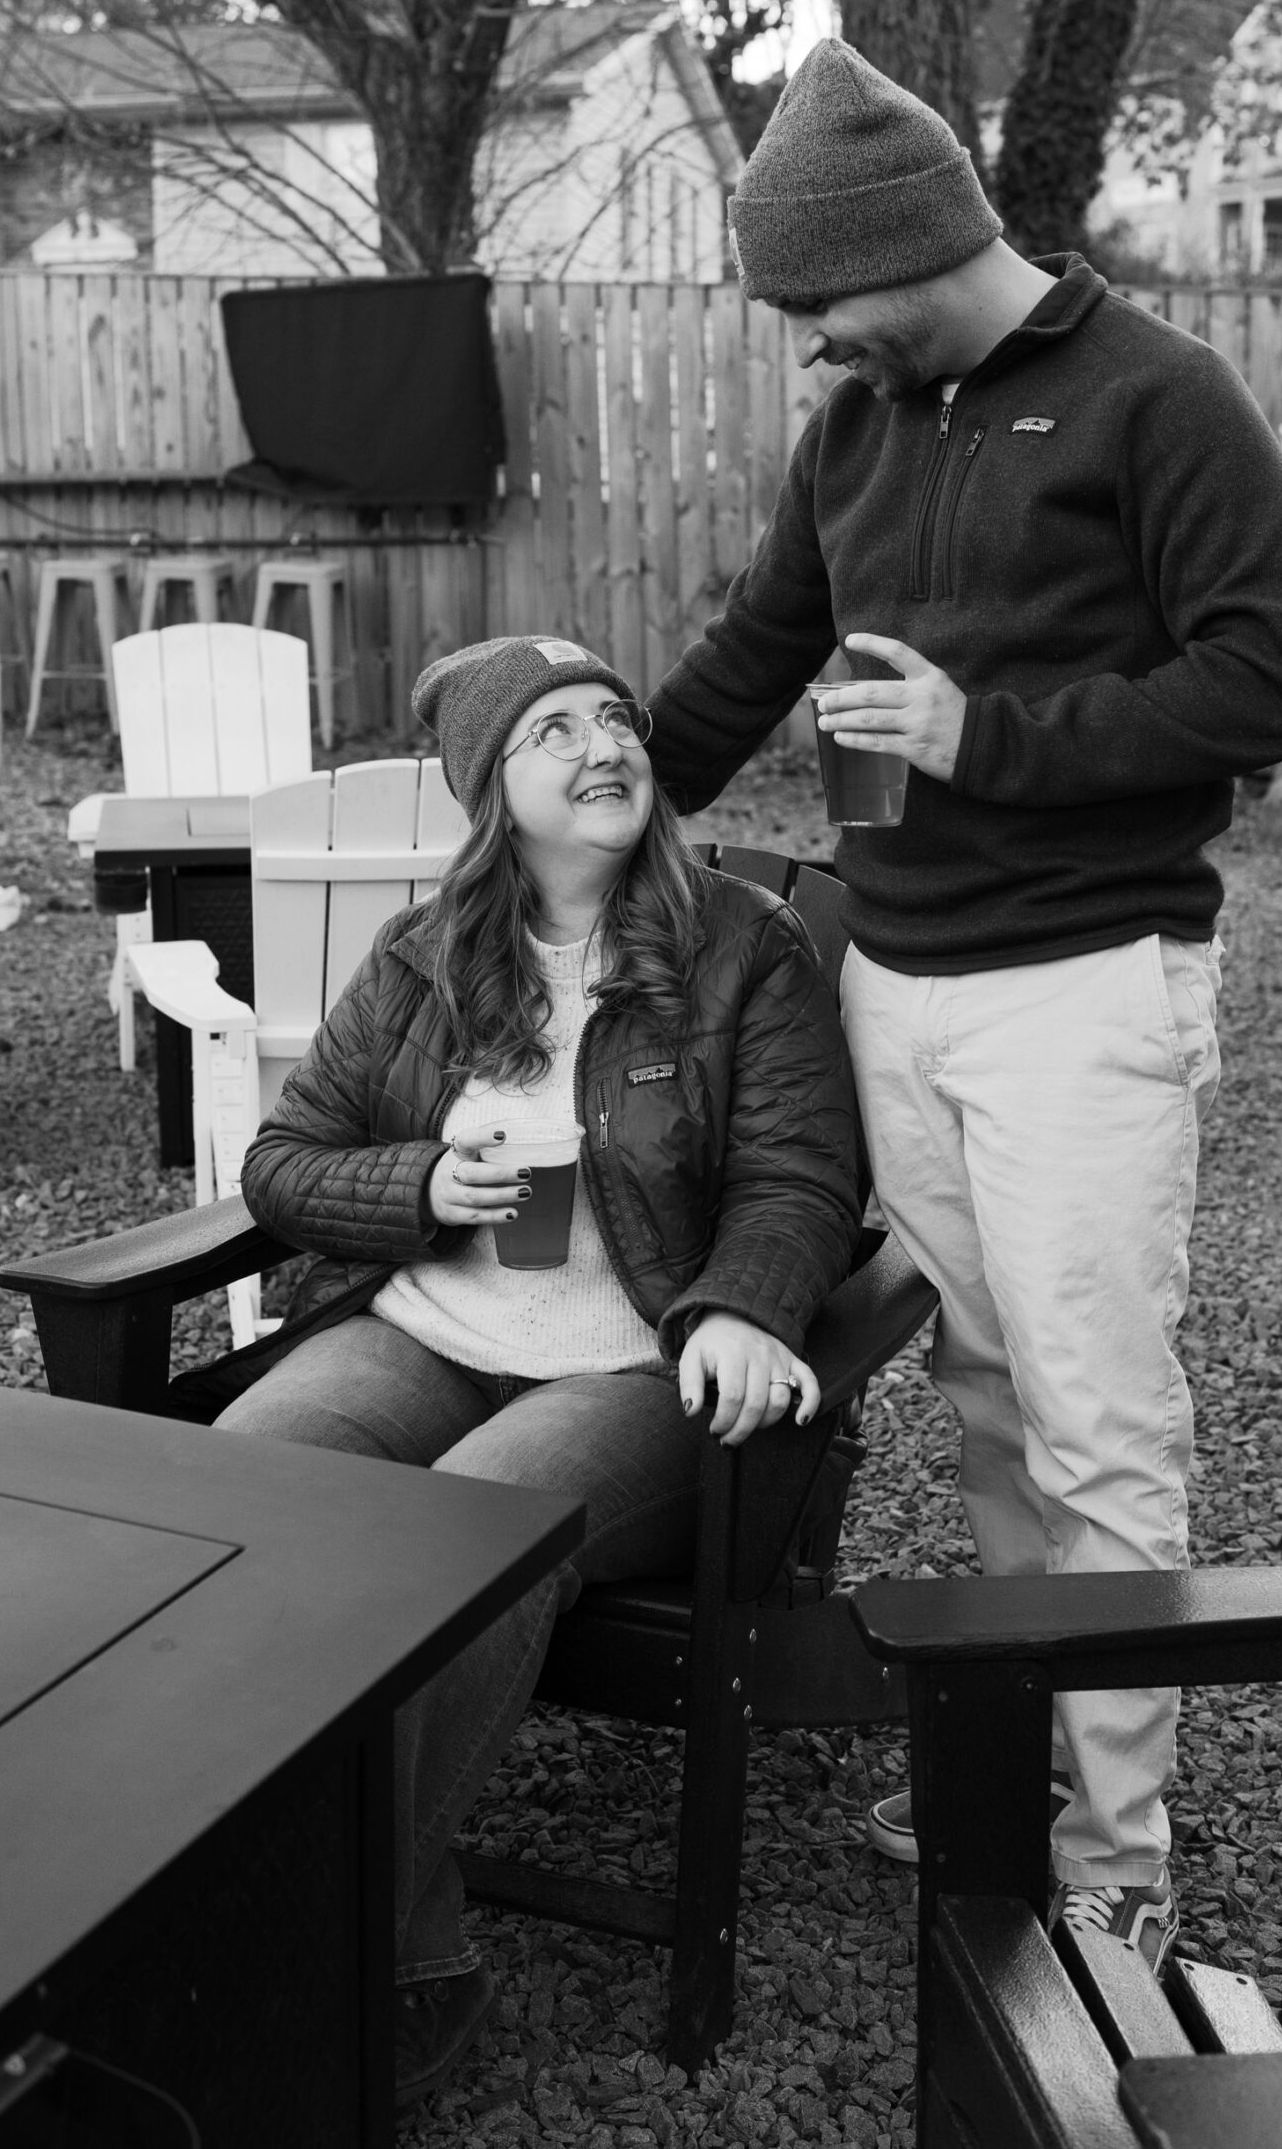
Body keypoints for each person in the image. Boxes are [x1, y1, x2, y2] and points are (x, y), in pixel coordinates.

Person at [644, 41, 1282, 1973]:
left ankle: (1119, 1853)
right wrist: (596, 802)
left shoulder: (1157, 399)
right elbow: (753, 649)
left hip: (1085, 988)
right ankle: (1020, 1763)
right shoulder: (861, 430)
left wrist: (986, 737)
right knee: (977, 1399)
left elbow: (1276, 682)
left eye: (817, 307)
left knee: (1100, 1424)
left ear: (917, 243)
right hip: (898, 979)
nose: (806, 348)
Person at [217, 635, 863, 2107]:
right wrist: (421, 1190)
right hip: (426, 1334)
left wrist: (743, 1308)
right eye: (553, 731)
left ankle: (347, 1959)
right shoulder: (426, 956)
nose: (605, 745)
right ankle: (375, 1930)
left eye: (616, 717)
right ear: (489, 790)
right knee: (233, 1512)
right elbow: (281, 1162)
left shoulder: (740, 947)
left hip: (634, 1369)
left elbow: (797, 1180)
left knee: (459, 1538)